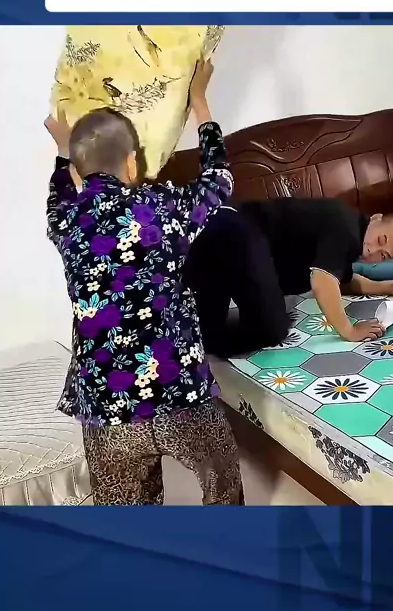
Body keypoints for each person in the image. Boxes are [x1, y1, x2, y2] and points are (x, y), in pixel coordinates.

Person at [45, 60, 244, 506]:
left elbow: (59, 193)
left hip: (107, 406)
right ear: (132, 162)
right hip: (179, 391)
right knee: (223, 486)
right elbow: (219, 180)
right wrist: (199, 102)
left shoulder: (66, 221)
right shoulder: (164, 206)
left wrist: (62, 149)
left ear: (78, 168)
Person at [184, 197, 393, 358]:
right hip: (229, 234)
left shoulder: (347, 235)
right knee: (270, 329)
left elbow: (342, 281)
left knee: (206, 333)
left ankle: (195, 337)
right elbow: (323, 282)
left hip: (217, 241)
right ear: (375, 218)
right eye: (380, 240)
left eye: (383, 255)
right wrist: (350, 331)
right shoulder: (346, 229)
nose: (373, 250)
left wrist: (388, 287)